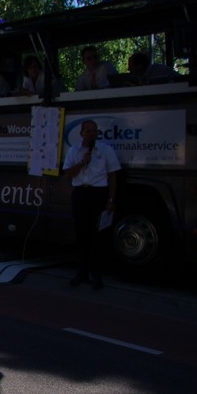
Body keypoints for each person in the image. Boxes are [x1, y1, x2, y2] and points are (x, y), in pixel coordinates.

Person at [62, 120, 121, 289]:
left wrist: (111, 200)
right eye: (88, 131)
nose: (91, 133)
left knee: (97, 236)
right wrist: (82, 163)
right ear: (81, 133)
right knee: (81, 234)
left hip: (98, 194)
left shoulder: (105, 150)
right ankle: (81, 272)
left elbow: (112, 176)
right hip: (80, 193)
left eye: (94, 131)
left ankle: (96, 275)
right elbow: (68, 174)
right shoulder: (74, 150)